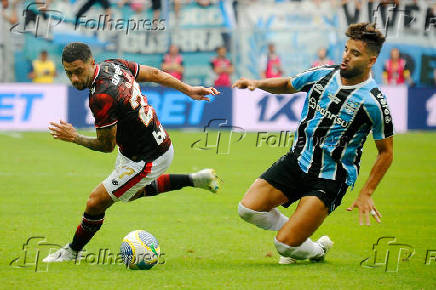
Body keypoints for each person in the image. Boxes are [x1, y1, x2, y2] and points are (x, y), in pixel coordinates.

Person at [44, 42, 220, 262]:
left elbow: (106, 146)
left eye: (78, 72)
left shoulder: (101, 96)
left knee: (95, 202)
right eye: (69, 73)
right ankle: (196, 179)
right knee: (131, 193)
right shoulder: (114, 65)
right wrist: (188, 89)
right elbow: (154, 73)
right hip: (154, 141)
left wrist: (74, 137)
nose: (75, 79)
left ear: (91, 63)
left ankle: (72, 252)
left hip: (146, 158)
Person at [233, 22, 393, 264]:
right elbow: (288, 84)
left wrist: (367, 192)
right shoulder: (323, 75)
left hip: (330, 177)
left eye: (355, 53)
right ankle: (300, 233)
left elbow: (386, 153)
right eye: (346, 49)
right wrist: (258, 84)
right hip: (297, 160)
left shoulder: (373, 102)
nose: (346, 57)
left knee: (284, 247)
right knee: (247, 210)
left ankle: (316, 250)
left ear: (371, 61)